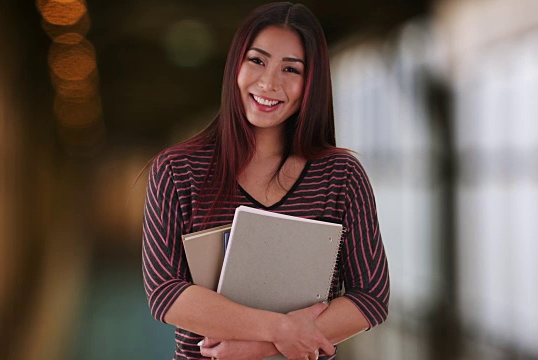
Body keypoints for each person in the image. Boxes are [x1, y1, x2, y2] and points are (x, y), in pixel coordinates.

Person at [142, 2, 390, 359]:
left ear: (311, 85)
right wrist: (279, 330)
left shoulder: (341, 175)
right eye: (257, 61)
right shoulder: (177, 170)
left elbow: (371, 297)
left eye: (291, 69)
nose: (269, 82)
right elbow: (165, 293)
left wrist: (254, 348)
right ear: (235, 67)